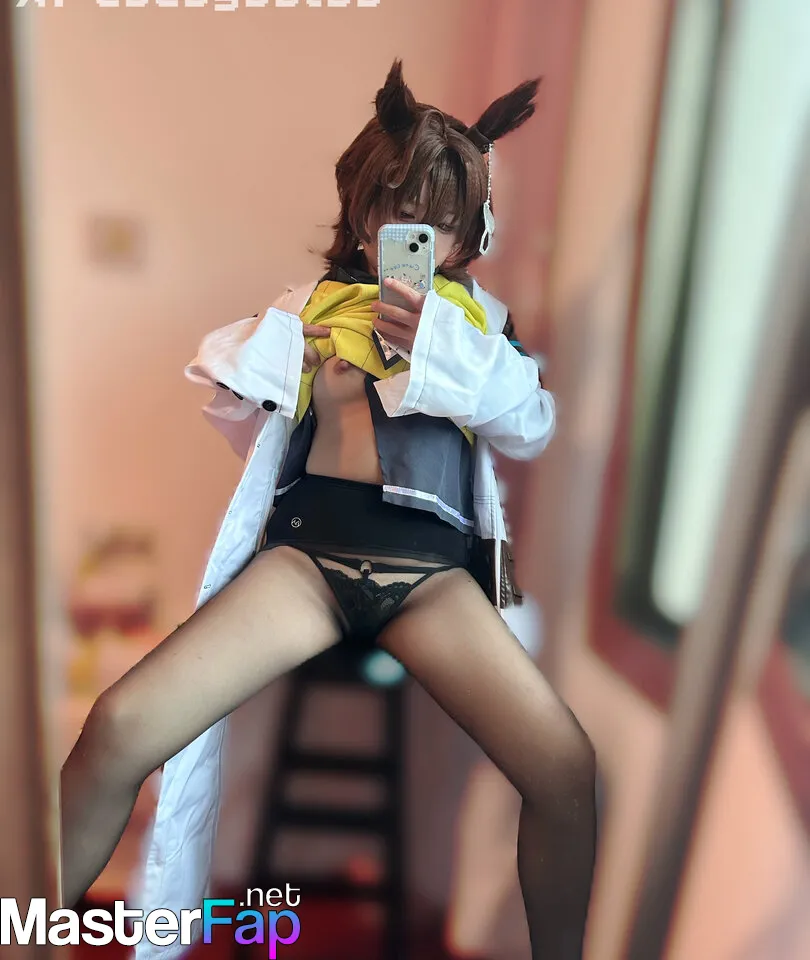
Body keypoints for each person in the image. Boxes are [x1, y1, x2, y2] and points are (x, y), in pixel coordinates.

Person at [59, 60, 597, 960]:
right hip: (306, 561)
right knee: (118, 726)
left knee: (565, 767)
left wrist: (444, 350)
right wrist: (286, 357)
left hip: (430, 577)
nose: (411, 231)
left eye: (437, 217)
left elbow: (530, 423)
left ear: (470, 228)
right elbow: (235, 413)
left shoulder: (481, 327)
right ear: (360, 207)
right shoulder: (310, 308)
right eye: (393, 208)